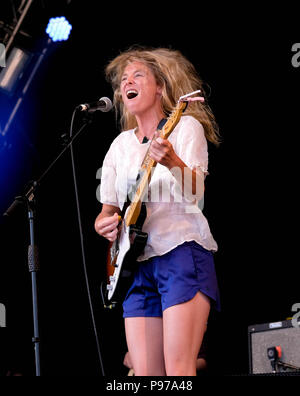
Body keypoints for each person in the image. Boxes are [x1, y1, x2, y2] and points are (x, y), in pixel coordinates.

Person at [95, 46, 221, 376]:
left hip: (181, 251)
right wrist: (104, 225)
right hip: (135, 265)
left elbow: (197, 193)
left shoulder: (185, 128)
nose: (127, 82)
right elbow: (106, 212)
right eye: (123, 79)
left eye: (138, 75)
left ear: (160, 87)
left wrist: (172, 160)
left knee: (179, 371)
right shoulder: (119, 146)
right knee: (145, 376)